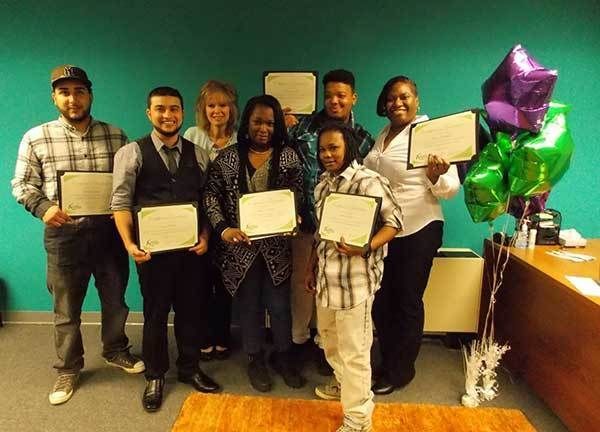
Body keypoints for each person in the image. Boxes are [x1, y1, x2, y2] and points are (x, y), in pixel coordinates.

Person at [11, 65, 144, 406]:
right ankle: (68, 367)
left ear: (90, 94)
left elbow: (131, 184)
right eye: (65, 92)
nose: (73, 98)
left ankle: (116, 349)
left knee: (115, 299)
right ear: (54, 97)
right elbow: (22, 185)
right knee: (66, 307)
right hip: (64, 235)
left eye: (79, 91)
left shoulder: (117, 136)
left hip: (108, 234)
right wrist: (44, 208)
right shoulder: (35, 137)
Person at [111, 86, 221, 413]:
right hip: (152, 254)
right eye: (160, 109)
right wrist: (130, 244)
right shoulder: (131, 153)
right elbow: (119, 203)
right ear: (149, 113)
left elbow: (207, 202)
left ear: (182, 113)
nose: (168, 115)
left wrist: (205, 236)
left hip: (190, 252)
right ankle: (156, 375)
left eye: (174, 109)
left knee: (191, 311)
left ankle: (189, 368)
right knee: (155, 314)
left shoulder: (199, 154)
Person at [363, 76, 460, 395]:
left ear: (417, 100)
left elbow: (450, 190)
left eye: (404, 97)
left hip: (418, 229)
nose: (397, 103)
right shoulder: (384, 134)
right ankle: (388, 359)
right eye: (391, 98)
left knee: (406, 302)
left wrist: (436, 176)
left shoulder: (431, 134)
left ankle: (400, 371)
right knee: (380, 300)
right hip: (385, 231)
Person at [203, 94, 305, 392]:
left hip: (277, 248)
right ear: (247, 121)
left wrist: (294, 217)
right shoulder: (228, 157)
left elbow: (297, 193)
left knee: (279, 306)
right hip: (240, 249)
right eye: (258, 121)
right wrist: (222, 229)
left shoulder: (288, 156)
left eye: (270, 123)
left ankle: (284, 356)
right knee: (249, 306)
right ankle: (255, 358)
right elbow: (210, 196)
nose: (264, 128)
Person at [305, 123, 402, 432]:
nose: (327, 154)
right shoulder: (322, 185)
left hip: (355, 283)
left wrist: (366, 247)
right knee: (330, 342)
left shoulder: (368, 182)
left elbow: (394, 222)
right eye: (322, 149)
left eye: (333, 147)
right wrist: (311, 268)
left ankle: (358, 420)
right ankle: (345, 387)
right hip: (326, 280)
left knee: (355, 352)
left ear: (348, 146)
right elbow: (321, 236)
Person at [286, 69, 375, 374]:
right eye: (329, 96)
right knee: (303, 283)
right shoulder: (304, 127)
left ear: (353, 97)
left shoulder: (364, 138)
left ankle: (328, 349)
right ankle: (298, 341)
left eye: (341, 95)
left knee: (335, 287)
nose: (334, 101)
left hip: (342, 229)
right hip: (305, 221)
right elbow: (284, 159)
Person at [183, 80, 239, 361]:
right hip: (198, 220)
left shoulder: (241, 140)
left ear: (232, 109)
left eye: (223, 105)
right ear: (203, 109)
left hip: (231, 223)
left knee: (225, 282)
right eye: (212, 105)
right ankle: (204, 336)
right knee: (200, 282)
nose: (218, 110)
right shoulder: (192, 136)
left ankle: (223, 336)